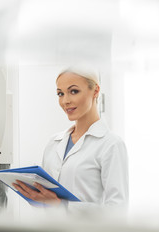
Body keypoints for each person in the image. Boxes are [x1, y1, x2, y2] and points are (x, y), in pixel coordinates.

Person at [13, 66, 129, 212]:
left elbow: (117, 211)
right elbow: (49, 202)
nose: (65, 101)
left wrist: (62, 205)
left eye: (73, 91)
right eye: (60, 94)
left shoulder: (111, 145)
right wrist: (37, 196)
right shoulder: (54, 143)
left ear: (95, 91)